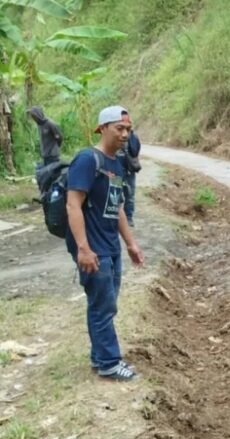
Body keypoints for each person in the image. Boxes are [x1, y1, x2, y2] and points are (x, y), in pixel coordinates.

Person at [65, 105, 144, 381]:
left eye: (128, 129)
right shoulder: (87, 160)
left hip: (111, 247)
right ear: (103, 128)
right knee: (103, 305)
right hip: (93, 248)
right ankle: (110, 363)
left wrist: (131, 244)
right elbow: (73, 205)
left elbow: (117, 205)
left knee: (104, 304)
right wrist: (83, 249)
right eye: (119, 128)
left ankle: (101, 358)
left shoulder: (117, 162)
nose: (125, 134)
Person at [117, 126, 141, 227]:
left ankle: (129, 217)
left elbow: (135, 151)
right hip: (119, 171)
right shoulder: (117, 135)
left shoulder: (133, 137)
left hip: (127, 170)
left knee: (128, 195)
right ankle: (121, 218)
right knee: (116, 194)